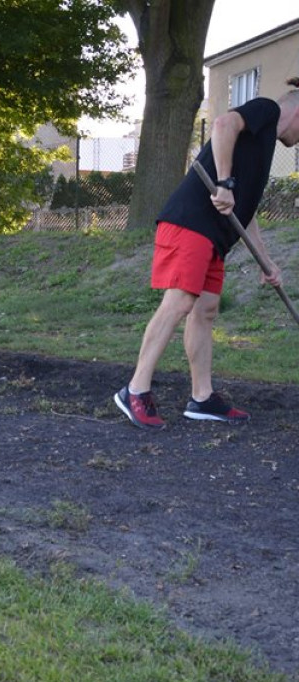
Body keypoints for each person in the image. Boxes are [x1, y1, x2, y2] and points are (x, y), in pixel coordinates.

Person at [114, 77, 299, 430]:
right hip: (191, 223)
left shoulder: (263, 145)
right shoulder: (267, 109)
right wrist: (226, 181)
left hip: (215, 236)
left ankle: (202, 398)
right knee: (180, 302)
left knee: (206, 310)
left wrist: (266, 259)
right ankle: (135, 389)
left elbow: (246, 208)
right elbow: (222, 123)